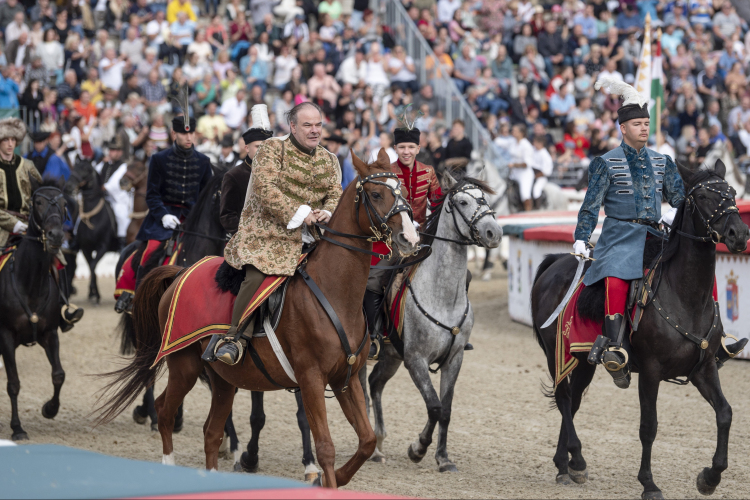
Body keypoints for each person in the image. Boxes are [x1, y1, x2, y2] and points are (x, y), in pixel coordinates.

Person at [203, 102, 342, 366]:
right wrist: (302, 213)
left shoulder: (328, 158)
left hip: (313, 235)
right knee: (257, 275)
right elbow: (265, 189)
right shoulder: (270, 150)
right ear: (292, 126)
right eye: (307, 125)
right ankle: (234, 337)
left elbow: (335, 191)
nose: (314, 131)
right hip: (267, 233)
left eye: (318, 125)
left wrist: (327, 210)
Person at [575, 78, 685, 389]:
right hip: (618, 237)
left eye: (646, 123)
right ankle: (615, 349)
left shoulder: (664, 162)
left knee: (693, 263)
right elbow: (590, 206)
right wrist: (582, 238)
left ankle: (713, 336)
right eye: (636, 124)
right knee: (614, 275)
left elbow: (680, 200)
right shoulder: (604, 163)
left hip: (656, 235)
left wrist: (678, 211)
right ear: (623, 128)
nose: (643, 128)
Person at [114, 98, 213, 313]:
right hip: (163, 217)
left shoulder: (204, 162)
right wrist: (163, 216)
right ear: (174, 134)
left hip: (192, 218)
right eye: (184, 134)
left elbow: (206, 198)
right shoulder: (159, 159)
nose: (188, 137)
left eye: (191, 133)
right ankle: (137, 298)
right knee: (149, 251)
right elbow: (152, 196)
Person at [363, 122, 441, 359]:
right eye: (402, 147)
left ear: (418, 148)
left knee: (459, 275)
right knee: (374, 281)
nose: (406, 151)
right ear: (395, 148)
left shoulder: (428, 172)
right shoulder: (388, 173)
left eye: (411, 147)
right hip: (390, 241)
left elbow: (437, 205)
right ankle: (373, 335)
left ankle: (451, 331)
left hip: (420, 241)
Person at [0, 118, 83, 331]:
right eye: (5, 140)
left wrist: (40, 219)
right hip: (2, 227)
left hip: (29, 224)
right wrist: (14, 225)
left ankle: (63, 309)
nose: (10, 144)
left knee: (59, 257)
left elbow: (42, 192)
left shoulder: (27, 165)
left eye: (13, 140)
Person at [219, 104, 273, 235]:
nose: (263, 151)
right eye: (258, 147)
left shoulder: (278, 172)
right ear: (247, 148)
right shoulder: (233, 176)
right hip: (245, 239)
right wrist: (247, 234)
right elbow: (227, 215)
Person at [95, 136, 130, 246]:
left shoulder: (123, 166)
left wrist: (105, 187)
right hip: (101, 196)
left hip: (116, 198)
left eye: (116, 150)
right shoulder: (104, 164)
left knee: (121, 214)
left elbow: (115, 183)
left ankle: (122, 239)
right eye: (111, 150)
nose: (113, 152)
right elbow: (94, 173)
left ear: (121, 152)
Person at [507, 123, 535, 211]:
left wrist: (514, 165)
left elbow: (526, 164)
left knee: (525, 194)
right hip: (514, 173)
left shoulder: (526, 145)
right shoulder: (513, 142)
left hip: (524, 174)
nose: (513, 132)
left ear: (521, 133)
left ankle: (528, 212)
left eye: (515, 131)